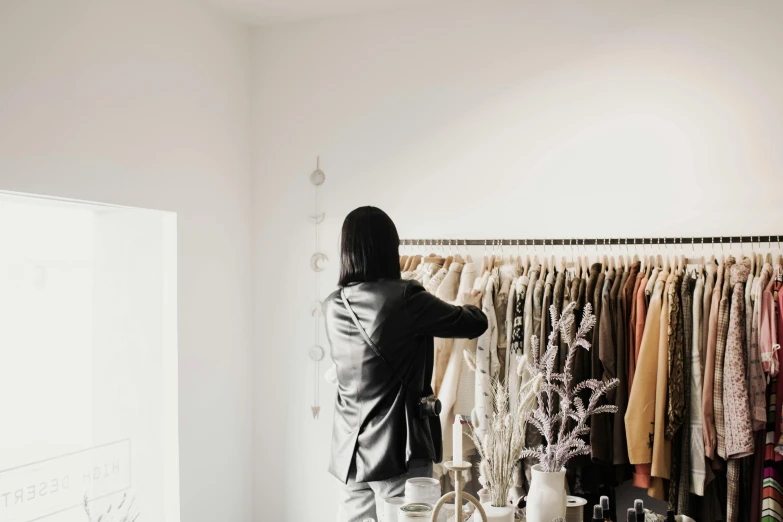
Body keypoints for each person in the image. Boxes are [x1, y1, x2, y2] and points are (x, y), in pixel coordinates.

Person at [323, 206, 488, 522]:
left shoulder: (334, 304)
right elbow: (471, 323)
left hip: (348, 450)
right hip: (398, 447)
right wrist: (469, 300)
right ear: (389, 247)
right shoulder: (405, 297)